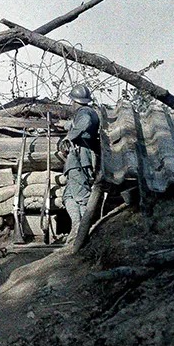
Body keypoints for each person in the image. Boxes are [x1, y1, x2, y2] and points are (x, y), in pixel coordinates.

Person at [60, 85, 100, 244]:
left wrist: (68, 137)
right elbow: (77, 124)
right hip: (77, 159)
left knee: (82, 197)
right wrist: (65, 125)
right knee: (68, 196)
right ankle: (76, 227)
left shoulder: (84, 112)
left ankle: (84, 233)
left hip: (79, 159)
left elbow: (84, 123)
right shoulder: (88, 112)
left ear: (74, 101)